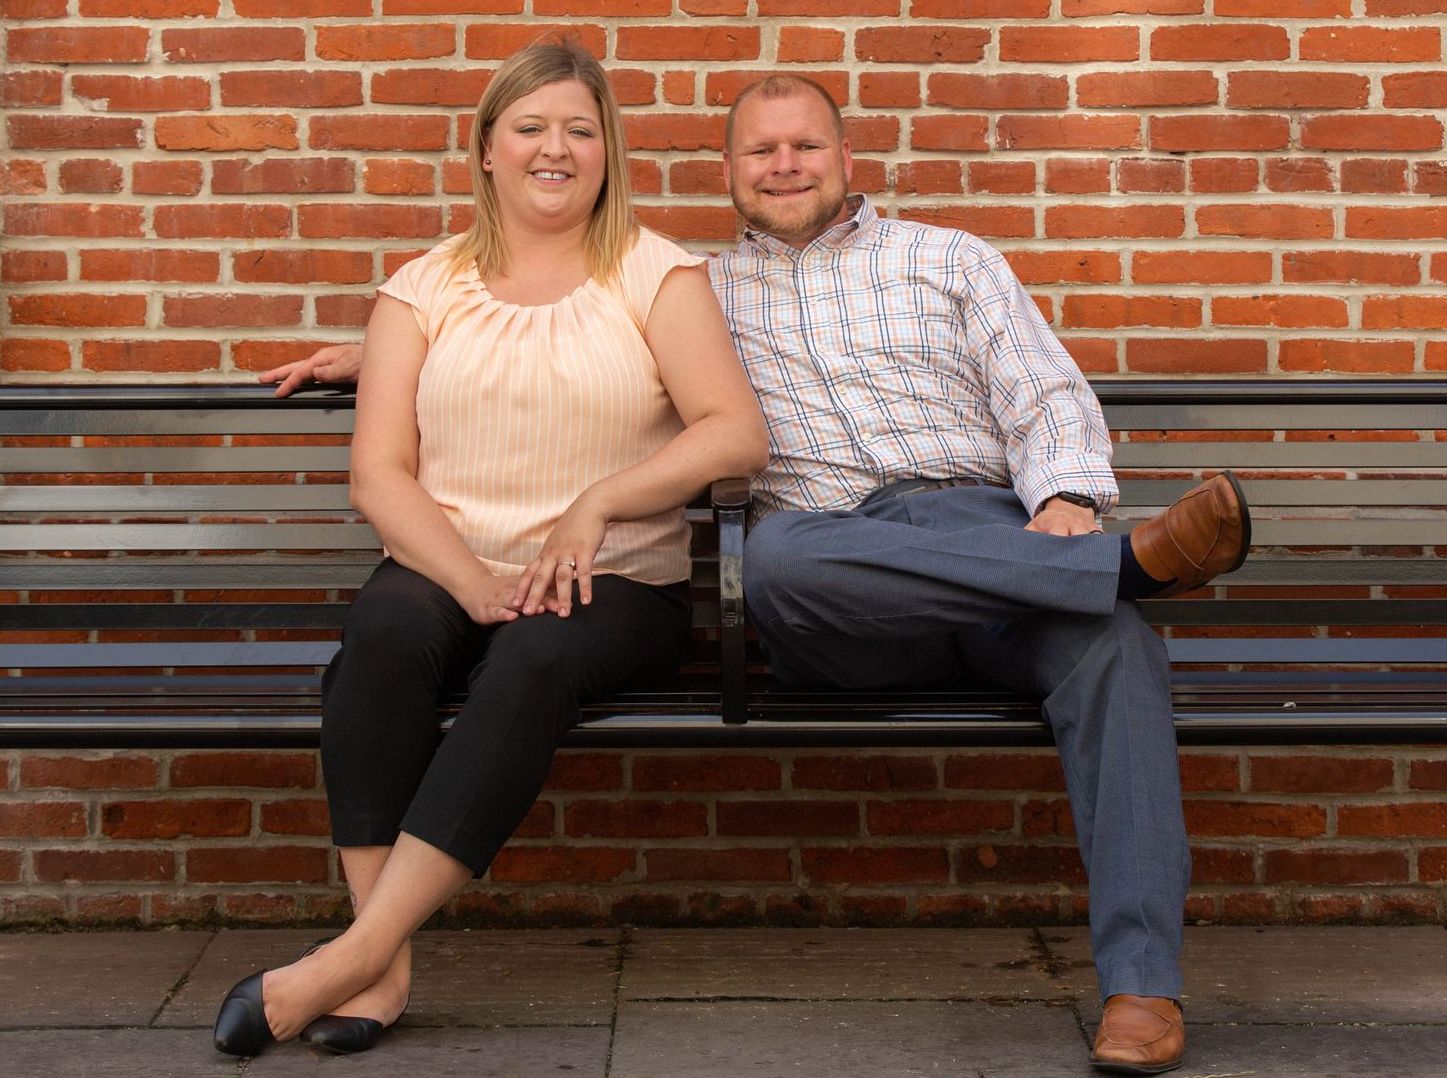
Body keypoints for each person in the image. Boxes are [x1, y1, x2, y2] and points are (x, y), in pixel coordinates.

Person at [261, 74, 1250, 1076]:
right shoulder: (700, 285)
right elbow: (553, 318)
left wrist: (1066, 506)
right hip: (840, 578)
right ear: (727, 174)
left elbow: (1045, 396)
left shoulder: (951, 260)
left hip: (1000, 541)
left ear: (846, 159)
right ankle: (1117, 570)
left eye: (805, 146)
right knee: (776, 558)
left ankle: (1140, 986)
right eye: (761, 151)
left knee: (1115, 644)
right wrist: (386, 350)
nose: (784, 165)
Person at [214, 41, 767, 1058]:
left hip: (614, 583)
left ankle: (352, 955)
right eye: (530, 126)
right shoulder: (422, 288)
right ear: (485, 150)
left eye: (580, 129)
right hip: (445, 562)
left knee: (536, 655)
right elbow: (378, 473)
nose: (555, 148)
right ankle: (381, 971)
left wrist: (599, 500)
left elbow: (733, 430)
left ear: (607, 153)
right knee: (379, 638)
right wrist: (467, 578)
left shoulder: (656, 272)